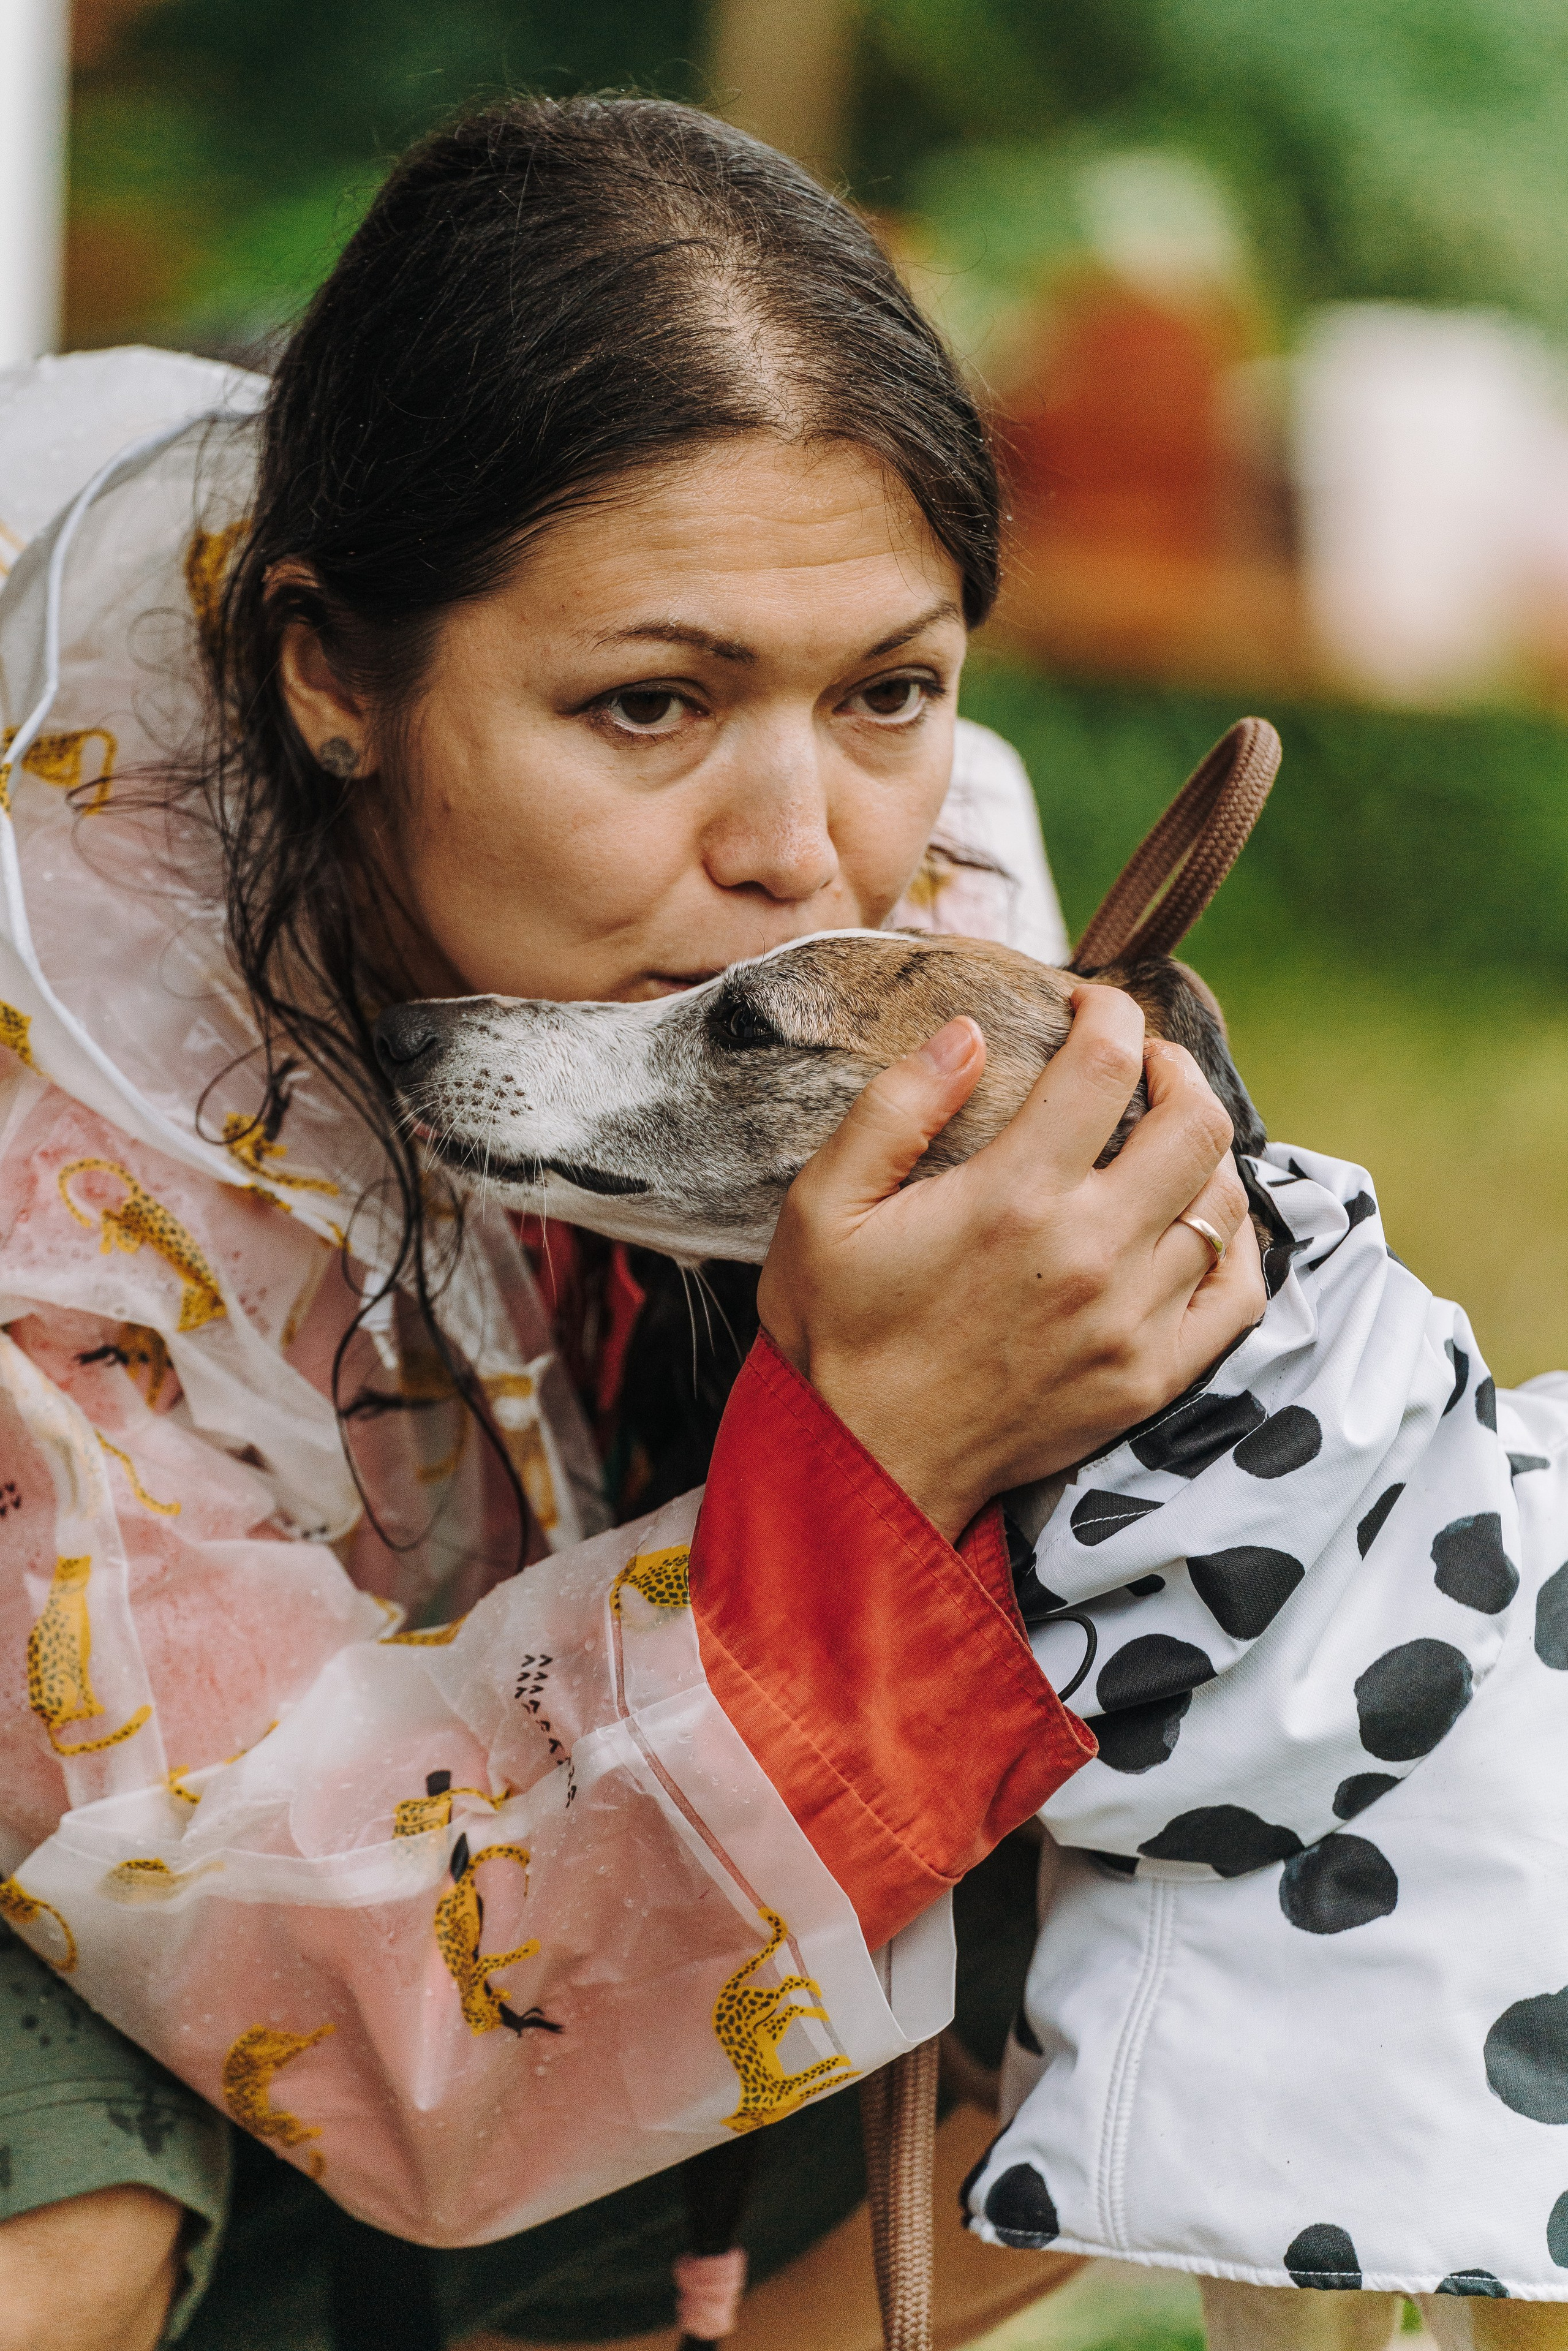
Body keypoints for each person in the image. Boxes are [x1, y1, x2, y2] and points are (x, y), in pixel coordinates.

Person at [0, 98, 1259, 2351]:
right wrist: (866, 1471)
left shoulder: (900, 878)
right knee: (63, 2231)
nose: (802, 850)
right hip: (133, 1852)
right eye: (649, 704)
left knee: (1140, 2035)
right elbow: (319, 1974)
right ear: (329, 674)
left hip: (508, 1798)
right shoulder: (59, 1109)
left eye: (889, 682)